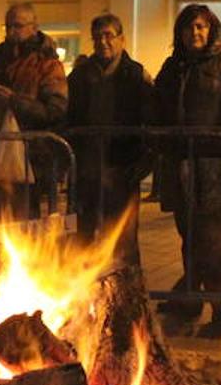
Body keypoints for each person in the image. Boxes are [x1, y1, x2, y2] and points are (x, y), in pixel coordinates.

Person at [154, 4, 221, 339]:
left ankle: (220, 310)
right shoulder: (174, 66)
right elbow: (160, 106)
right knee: (190, 238)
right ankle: (192, 299)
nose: (195, 33)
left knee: (217, 242)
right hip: (183, 163)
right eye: (189, 28)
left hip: (217, 165)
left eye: (201, 27)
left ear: (211, 29)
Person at [65, 13, 155, 264]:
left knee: (123, 236)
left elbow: (150, 119)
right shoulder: (80, 76)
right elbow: (69, 117)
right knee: (84, 233)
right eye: (97, 37)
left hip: (122, 166)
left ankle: (126, 293)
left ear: (122, 39)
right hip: (87, 167)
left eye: (108, 36)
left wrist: (143, 162)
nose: (103, 42)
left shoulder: (136, 75)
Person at [0, 3, 69, 219]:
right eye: (8, 26)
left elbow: (55, 111)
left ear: (34, 27)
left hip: (30, 159)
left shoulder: (47, 63)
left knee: (24, 223)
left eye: (18, 26)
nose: (12, 32)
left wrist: (14, 100)